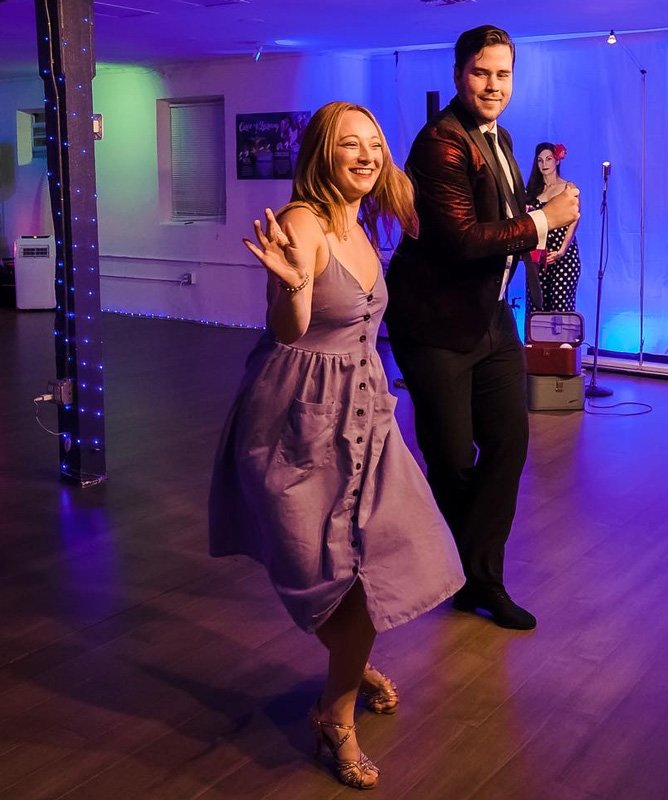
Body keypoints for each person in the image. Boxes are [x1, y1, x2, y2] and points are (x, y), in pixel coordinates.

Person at [208, 101, 464, 790]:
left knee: (386, 557)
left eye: (375, 144)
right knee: (324, 574)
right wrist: (292, 286)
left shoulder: (363, 221)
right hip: (295, 425)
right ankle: (343, 677)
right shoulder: (302, 222)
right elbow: (290, 330)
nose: (366, 155)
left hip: (364, 417)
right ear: (322, 152)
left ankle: (338, 699)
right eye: (350, 144)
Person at [385, 25, 579, 631]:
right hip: (434, 324)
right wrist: (545, 219)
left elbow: (507, 218)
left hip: (491, 317)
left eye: (503, 74)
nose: (493, 85)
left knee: (508, 444)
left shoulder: (502, 137)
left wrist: (545, 212)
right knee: (450, 459)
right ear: (458, 75)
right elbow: (466, 240)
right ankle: (466, 576)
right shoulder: (441, 144)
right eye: (481, 73)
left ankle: (477, 579)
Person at [525, 142, 582, 315]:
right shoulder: (532, 191)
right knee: (537, 305)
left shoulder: (568, 187)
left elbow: (574, 219)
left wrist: (562, 250)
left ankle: (563, 342)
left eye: (548, 159)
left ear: (556, 160)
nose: (544, 164)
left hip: (563, 254)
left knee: (560, 305)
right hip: (539, 256)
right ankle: (537, 342)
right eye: (540, 160)